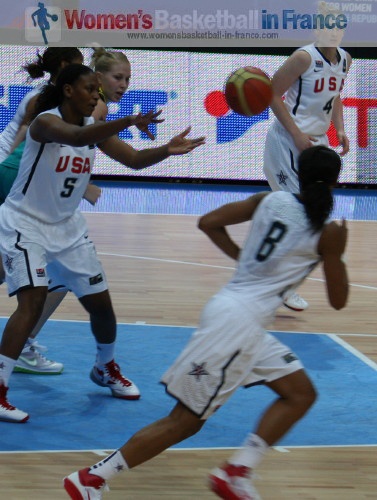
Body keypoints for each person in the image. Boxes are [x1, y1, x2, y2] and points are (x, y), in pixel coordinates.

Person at [63, 145, 348, 500]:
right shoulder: (329, 232)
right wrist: (337, 253)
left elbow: (208, 222)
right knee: (184, 422)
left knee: (300, 393)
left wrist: (243, 260)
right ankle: (92, 478)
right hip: (237, 328)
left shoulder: (269, 201)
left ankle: (237, 472)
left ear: (297, 173)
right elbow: (339, 301)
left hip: (233, 314)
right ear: (337, 181)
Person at [0, 63, 205, 423]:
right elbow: (76, 139)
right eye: (89, 90)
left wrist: (166, 150)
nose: (96, 96)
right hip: (25, 225)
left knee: (102, 306)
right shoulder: (45, 123)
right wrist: (127, 121)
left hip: (68, 230)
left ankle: (104, 367)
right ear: (68, 91)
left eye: (98, 90)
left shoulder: (93, 130)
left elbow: (135, 160)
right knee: (30, 303)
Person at [0, 47, 96, 376]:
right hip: (10, 175)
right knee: (53, 272)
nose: (92, 85)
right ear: (67, 71)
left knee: (10, 268)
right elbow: (28, 144)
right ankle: (23, 345)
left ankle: (23, 342)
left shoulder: (66, 103)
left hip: (12, 175)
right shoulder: (43, 103)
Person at [263, 1, 352, 312]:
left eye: (338, 26)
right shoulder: (303, 57)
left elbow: (335, 95)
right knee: (301, 216)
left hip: (313, 145)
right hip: (287, 141)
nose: (333, 32)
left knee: (309, 217)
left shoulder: (345, 59)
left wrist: (339, 128)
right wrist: (297, 135)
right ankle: (280, 285)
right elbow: (271, 94)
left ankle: (275, 280)